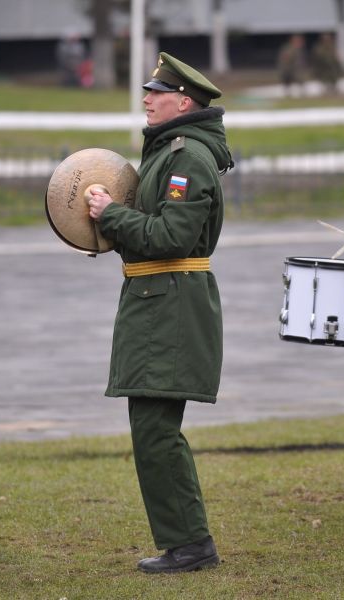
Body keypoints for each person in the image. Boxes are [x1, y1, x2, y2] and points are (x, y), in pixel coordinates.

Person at [86, 52, 233, 574]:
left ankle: (191, 544)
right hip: (154, 299)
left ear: (184, 102)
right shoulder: (168, 151)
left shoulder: (187, 155)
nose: (146, 99)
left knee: (155, 430)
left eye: (156, 93)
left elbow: (172, 237)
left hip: (170, 299)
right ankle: (185, 542)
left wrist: (111, 214)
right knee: (150, 427)